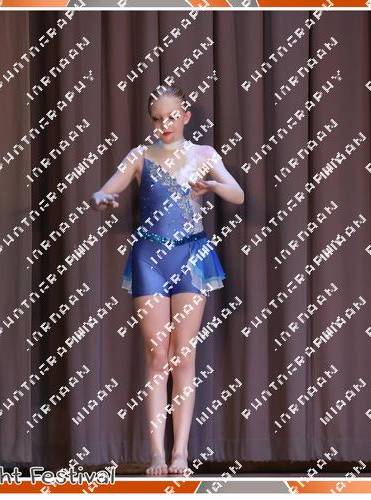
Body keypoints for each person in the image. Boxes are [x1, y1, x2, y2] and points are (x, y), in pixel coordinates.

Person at [91, 85, 244, 476]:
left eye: (172, 116)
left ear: (186, 116)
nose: (164, 124)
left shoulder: (203, 155)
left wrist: (212, 186)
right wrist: (102, 199)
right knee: (158, 357)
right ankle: (157, 453)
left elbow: (238, 194)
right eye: (157, 119)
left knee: (183, 356)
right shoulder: (139, 156)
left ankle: (180, 453)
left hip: (191, 255)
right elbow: (105, 190)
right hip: (149, 259)